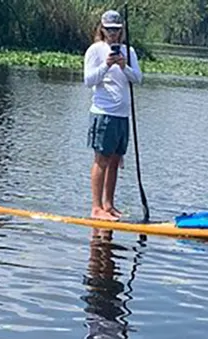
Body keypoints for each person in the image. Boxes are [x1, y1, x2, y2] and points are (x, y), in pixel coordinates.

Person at [83, 9, 142, 221]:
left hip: (122, 116)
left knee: (116, 160)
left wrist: (124, 66)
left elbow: (137, 79)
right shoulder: (95, 51)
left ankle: (109, 205)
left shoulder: (129, 52)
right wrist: (106, 65)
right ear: (102, 29)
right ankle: (96, 207)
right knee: (102, 159)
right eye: (109, 30)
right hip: (103, 113)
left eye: (116, 30)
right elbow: (89, 80)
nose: (113, 34)